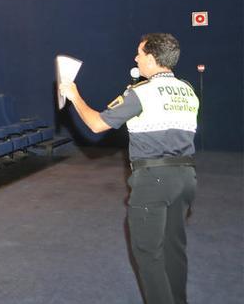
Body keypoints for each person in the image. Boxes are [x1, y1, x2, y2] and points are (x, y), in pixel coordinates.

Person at [59, 33, 199, 304]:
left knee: (148, 254)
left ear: (151, 58)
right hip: (186, 177)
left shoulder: (140, 93)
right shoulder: (188, 90)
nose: (135, 58)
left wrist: (75, 96)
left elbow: (97, 125)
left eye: (139, 53)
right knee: (174, 249)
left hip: (153, 180)